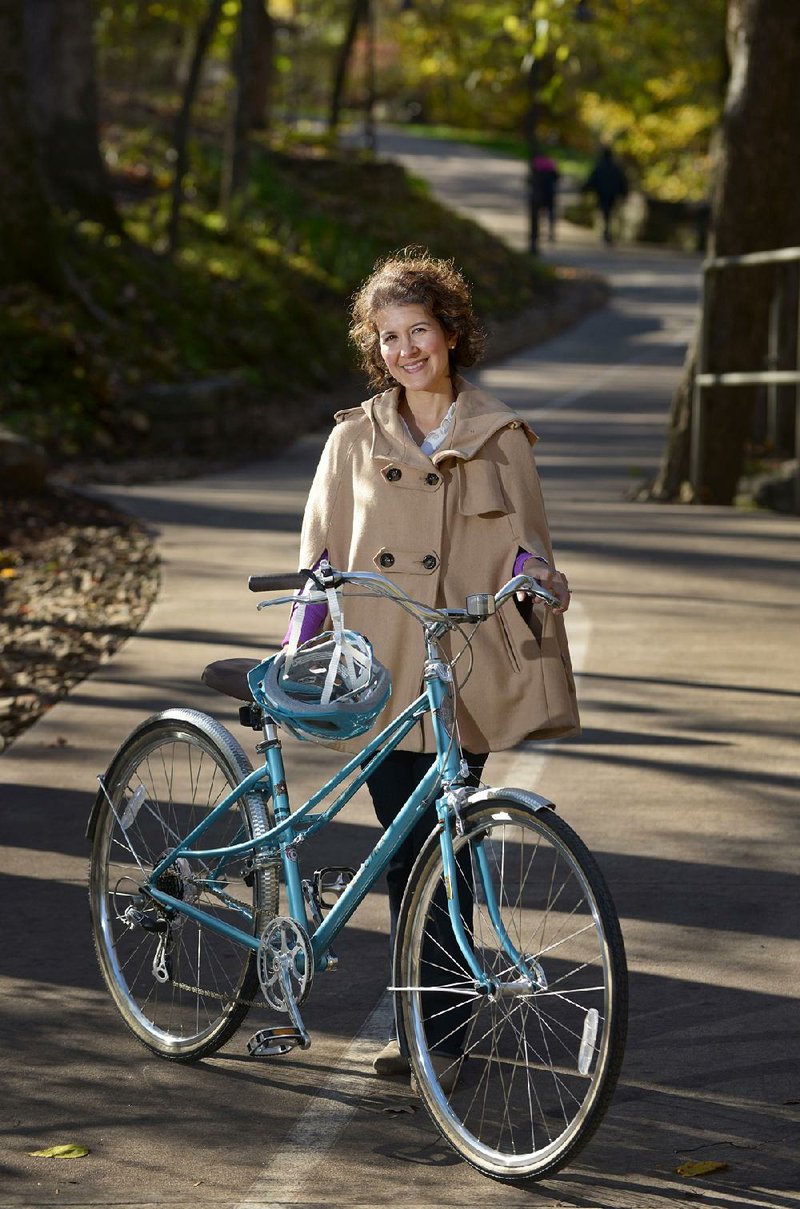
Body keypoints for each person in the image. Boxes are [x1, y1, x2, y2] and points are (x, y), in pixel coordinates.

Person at [293, 248, 579, 1088]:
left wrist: (538, 575)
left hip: (461, 666)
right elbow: (317, 552)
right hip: (379, 665)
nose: (406, 349)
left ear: (452, 332)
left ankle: (439, 1040)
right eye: (388, 337)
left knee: (448, 849)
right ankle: (431, 1030)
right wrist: (301, 652)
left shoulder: (500, 435)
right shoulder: (352, 437)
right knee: (407, 849)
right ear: (373, 347)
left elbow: (528, 545)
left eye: (419, 330)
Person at [581, 144, 628, 244]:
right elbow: (622, 181)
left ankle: (606, 231)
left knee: (605, 212)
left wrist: (585, 189)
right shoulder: (615, 167)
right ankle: (607, 231)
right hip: (612, 194)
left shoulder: (600, 166)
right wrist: (624, 193)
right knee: (609, 212)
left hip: (602, 193)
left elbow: (592, 179)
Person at [531, 153, 560, 243]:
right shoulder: (551, 167)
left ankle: (538, 233)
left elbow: (531, 181)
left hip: (540, 195)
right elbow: (557, 177)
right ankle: (551, 233)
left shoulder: (537, 167)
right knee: (550, 215)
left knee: (539, 215)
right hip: (550, 195)